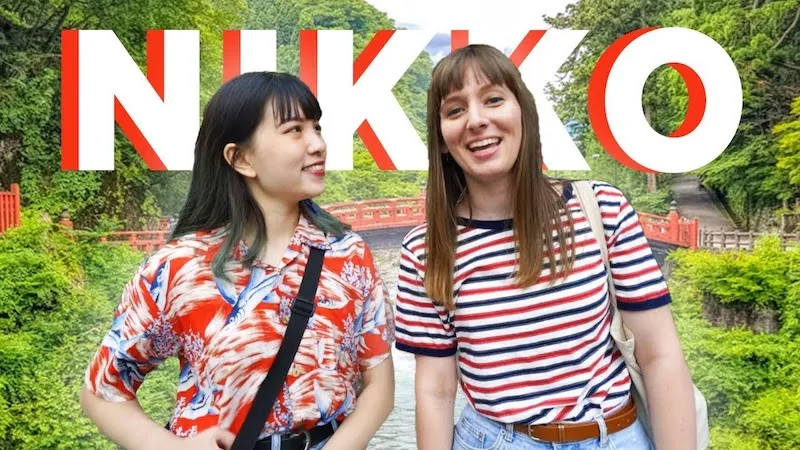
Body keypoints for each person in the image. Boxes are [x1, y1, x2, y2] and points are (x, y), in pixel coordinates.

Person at [394, 44, 696, 449]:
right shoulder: (426, 250)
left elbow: (659, 355)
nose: (477, 120)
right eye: (455, 110)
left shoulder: (600, 209)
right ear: (442, 139)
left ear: (524, 113)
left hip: (613, 435)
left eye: (493, 100)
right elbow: (436, 390)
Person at [80, 72, 395, 450]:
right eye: (295, 130)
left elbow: (379, 384)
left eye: (317, 127)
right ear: (241, 158)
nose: (318, 144)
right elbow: (103, 389)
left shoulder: (348, 255)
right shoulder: (181, 268)